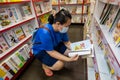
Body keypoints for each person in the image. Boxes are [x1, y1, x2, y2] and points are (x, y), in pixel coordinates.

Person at [32, 9, 79, 77]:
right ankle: (45, 65)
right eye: (66, 26)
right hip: (41, 50)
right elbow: (51, 52)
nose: (68, 28)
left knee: (70, 52)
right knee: (60, 65)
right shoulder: (45, 32)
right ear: (58, 23)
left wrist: (78, 48)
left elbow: (67, 43)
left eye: (68, 25)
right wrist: (68, 60)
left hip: (53, 45)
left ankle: (51, 60)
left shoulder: (61, 29)